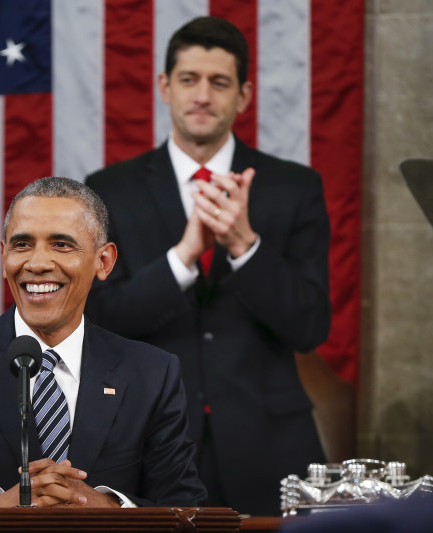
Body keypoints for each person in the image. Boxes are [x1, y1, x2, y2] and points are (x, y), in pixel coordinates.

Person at [84, 17, 330, 516]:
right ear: (164, 88)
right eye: (189, 80)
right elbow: (100, 320)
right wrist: (183, 258)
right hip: (147, 444)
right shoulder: (110, 189)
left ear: (243, 96)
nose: (202, 95)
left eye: (219, 83)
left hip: (271, 445)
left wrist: (245, 245)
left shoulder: (294, 187)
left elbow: (311, 325)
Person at [0, 177, 207, 508]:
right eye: (22, 244)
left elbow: (184, 510)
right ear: (3, 257)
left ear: (103, 261)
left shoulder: (152, 373)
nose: (37, 263)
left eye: (61, 244)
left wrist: (111, 508)